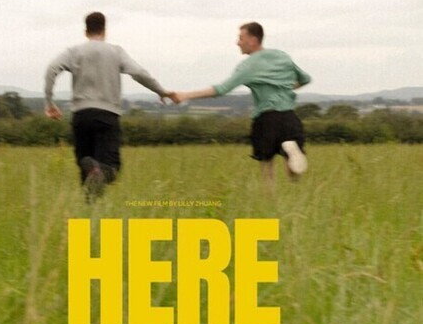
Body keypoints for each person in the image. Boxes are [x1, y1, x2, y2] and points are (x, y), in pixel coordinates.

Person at [44, 12, 174, 195]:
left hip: (81, 116)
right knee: (111, 170)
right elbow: (138, 73)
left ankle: (91, 206)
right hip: (107, 116)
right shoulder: (116, 52)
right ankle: (96, 171)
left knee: (88, 173)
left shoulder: (73, 52)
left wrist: (49, 102)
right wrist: (160, 91)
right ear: (105, 30)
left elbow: (51, 69)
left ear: (85, 31)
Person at [174, 22, 312, 180]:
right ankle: (290, 152)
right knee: (294, 170)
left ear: (252, 40)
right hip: (290, 117)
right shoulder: (281, 56)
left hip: (267, 118)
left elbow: (221, 89)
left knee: (267, 164)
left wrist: (185, 95)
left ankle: (269, 196)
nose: (237, 42)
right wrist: (285, 88)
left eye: (241, 38)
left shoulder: (249, 65)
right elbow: (305, 79)